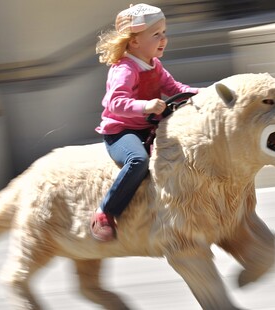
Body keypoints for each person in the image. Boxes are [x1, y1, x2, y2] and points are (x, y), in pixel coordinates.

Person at [91, 3, 198, 241]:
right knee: (138, 161)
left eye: (164, 33)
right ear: (134, 41)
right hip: (122, 131)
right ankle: (105, 212)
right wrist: (146, 106)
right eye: (156, 34)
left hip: (148, 127)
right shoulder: (125, 69)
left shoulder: (154, 64)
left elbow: (176, 89)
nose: (164, 39)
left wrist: (207, 94)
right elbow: (115, 103)